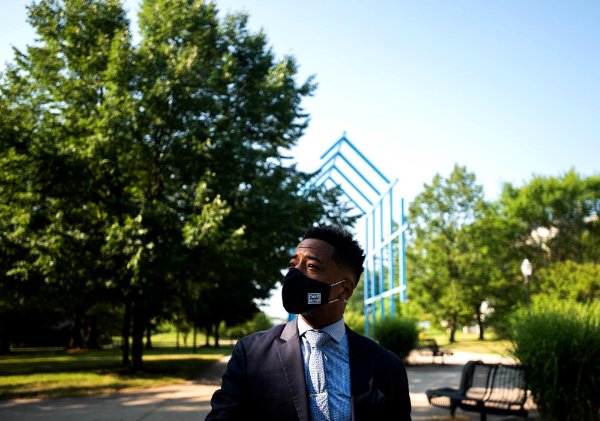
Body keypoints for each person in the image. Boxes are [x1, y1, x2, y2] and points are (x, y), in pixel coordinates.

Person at [206, 225, 412, 421]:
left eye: (311, 266)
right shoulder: (252, 354)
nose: (295, 273)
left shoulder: (386, 366)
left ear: (345, 289)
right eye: (293, 264)